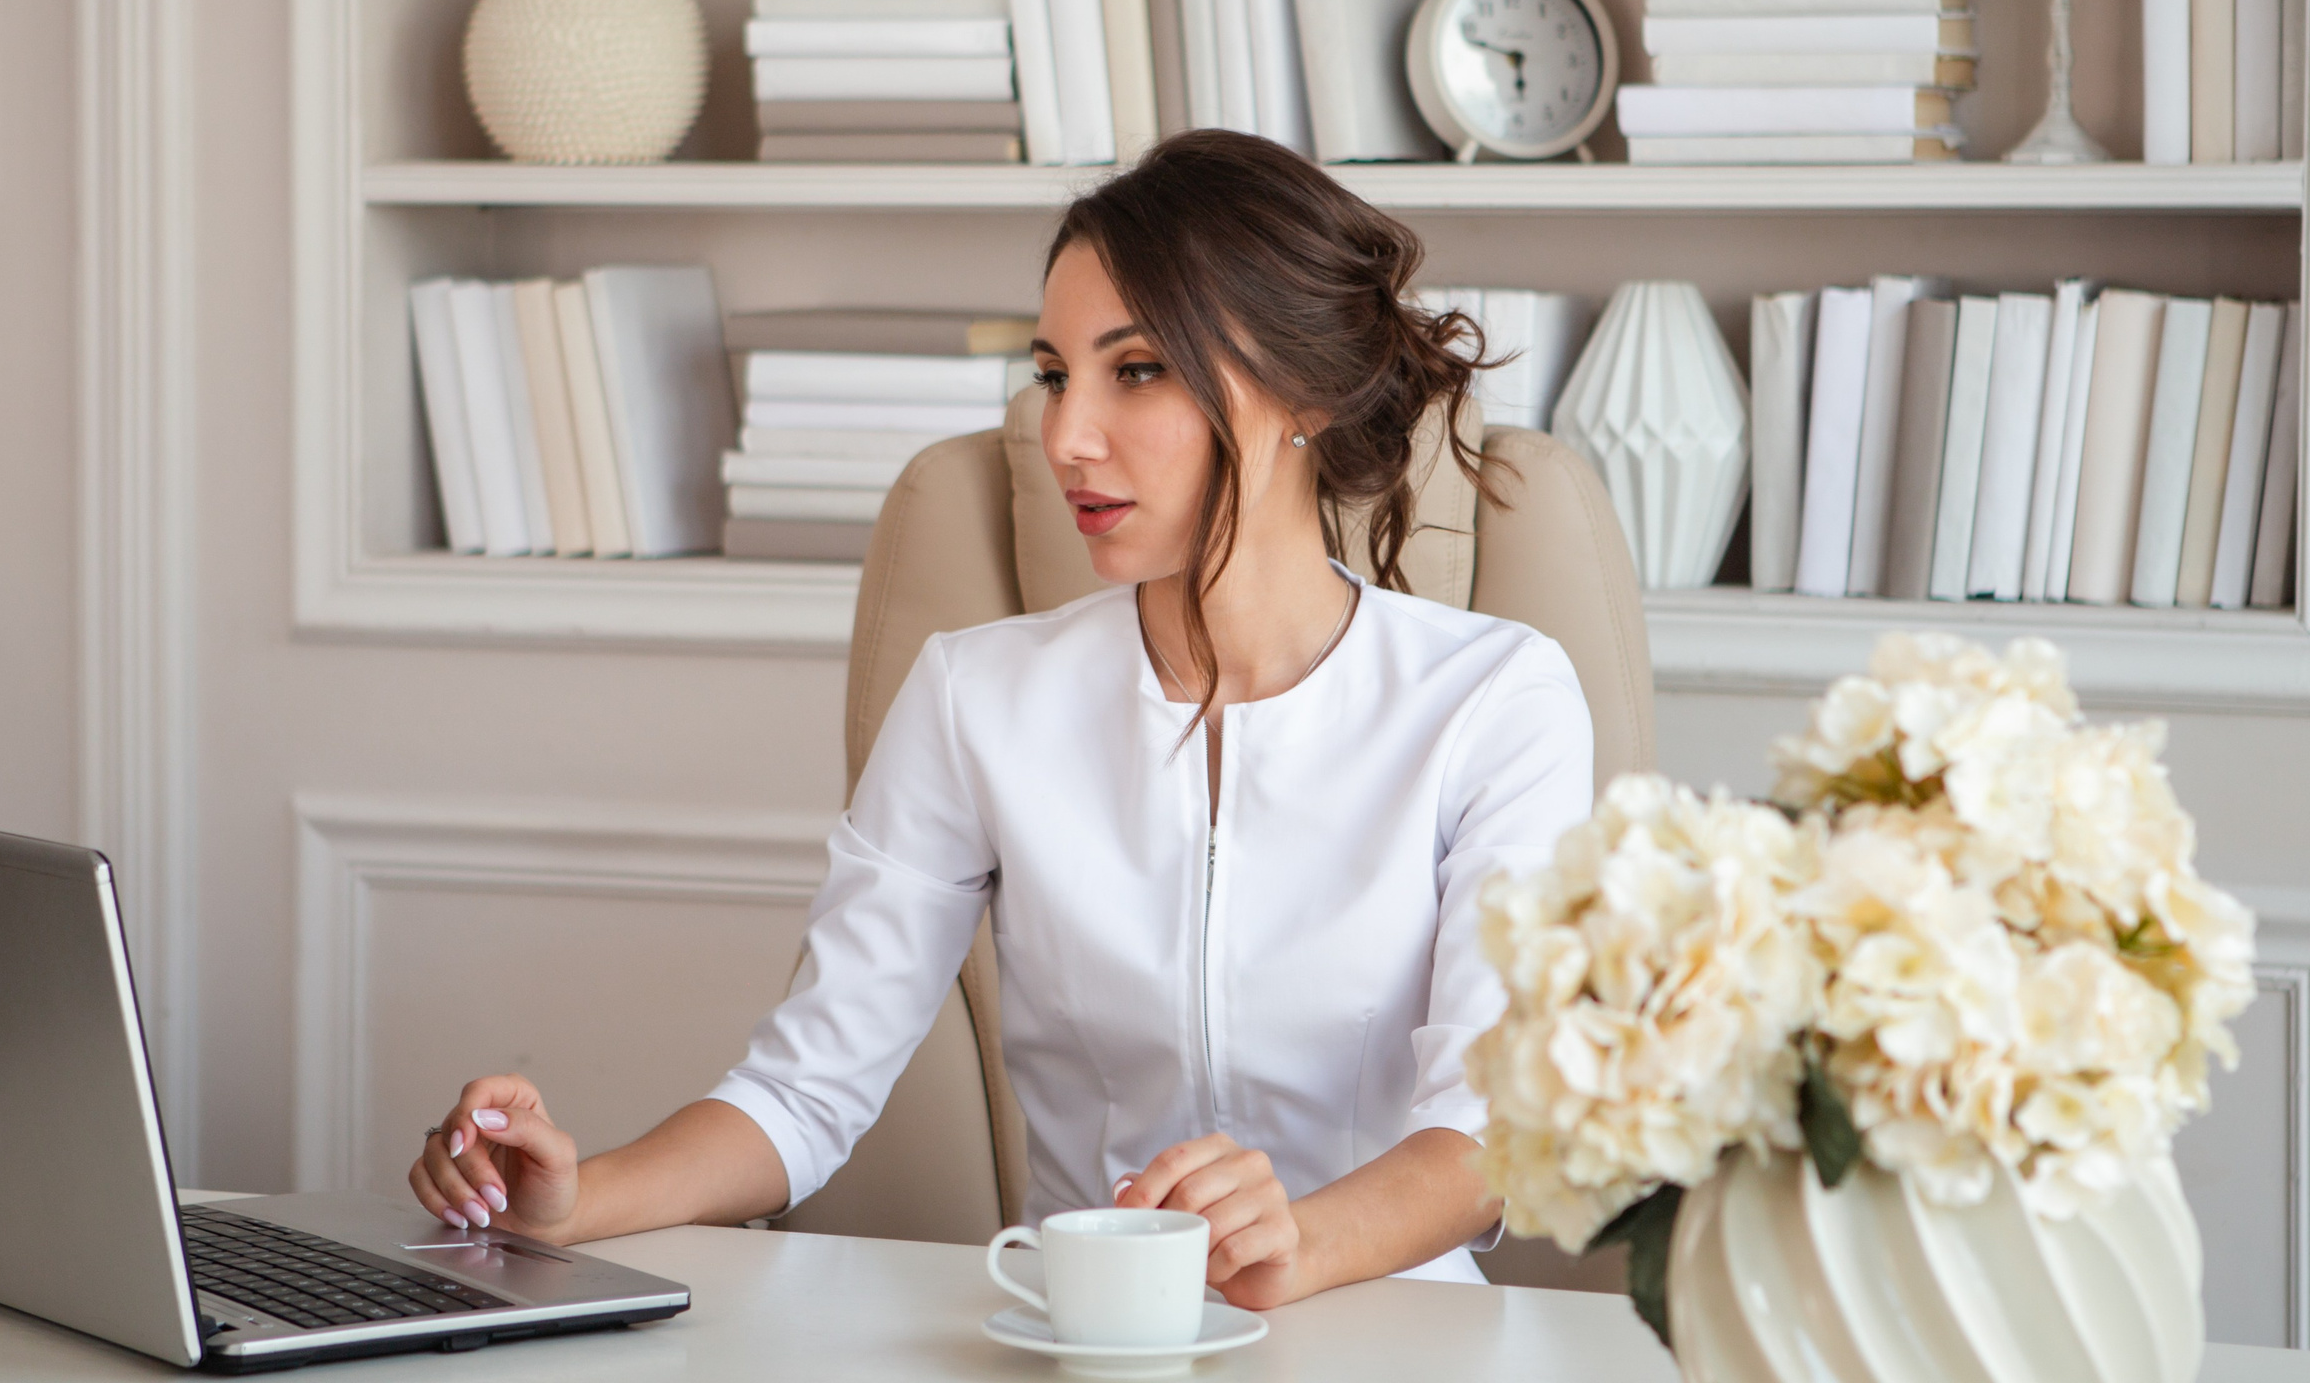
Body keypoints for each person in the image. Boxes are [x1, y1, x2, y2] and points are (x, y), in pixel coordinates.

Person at [409, 130, 1594, 1306]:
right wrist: (573, 1200)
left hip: (1390, 1334)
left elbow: (1486, 1131)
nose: (1065, 435)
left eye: (1137, 370)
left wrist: (1296, 1244)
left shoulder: (1494, 699)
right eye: (1052, 375)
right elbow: (807, 1088)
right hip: (1084, 1339)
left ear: (1304, 394)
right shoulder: (976, 697)